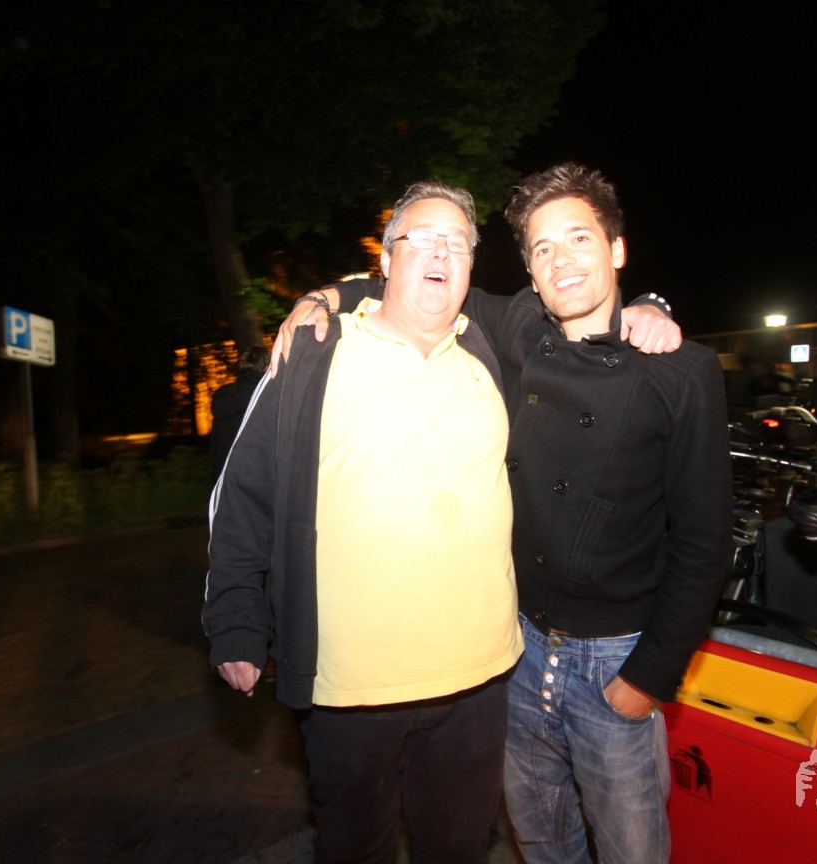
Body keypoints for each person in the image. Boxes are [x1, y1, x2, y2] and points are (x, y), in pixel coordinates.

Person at [286, 163, 731, 863]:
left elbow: (705, 541)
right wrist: (321, 297)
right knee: (538, 838)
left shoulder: (681, 371)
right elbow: (412, 284)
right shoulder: (518, 325)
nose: (562, 261)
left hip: (615, 659)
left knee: (632, 850)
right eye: (543, 248)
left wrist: (652, 675)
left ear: (617, 249)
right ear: (529, 271)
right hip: (517, 653)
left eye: (579, 239)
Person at [204, 182, 522, 862]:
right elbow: (244, 493)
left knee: (460, 851)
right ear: (384, 258)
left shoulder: (489, 354)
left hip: (481, 680)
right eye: (422, 239)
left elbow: (578, 317)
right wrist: (234, 618)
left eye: (457, 243)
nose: (440, 253)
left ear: (472, 265)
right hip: (351, 690)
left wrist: (650, 308)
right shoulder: (316, 351)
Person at [208, 344, 271, 479]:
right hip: (256, 480)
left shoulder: (223, 396)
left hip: (224, 480)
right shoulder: (265, 396)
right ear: (267, 367)